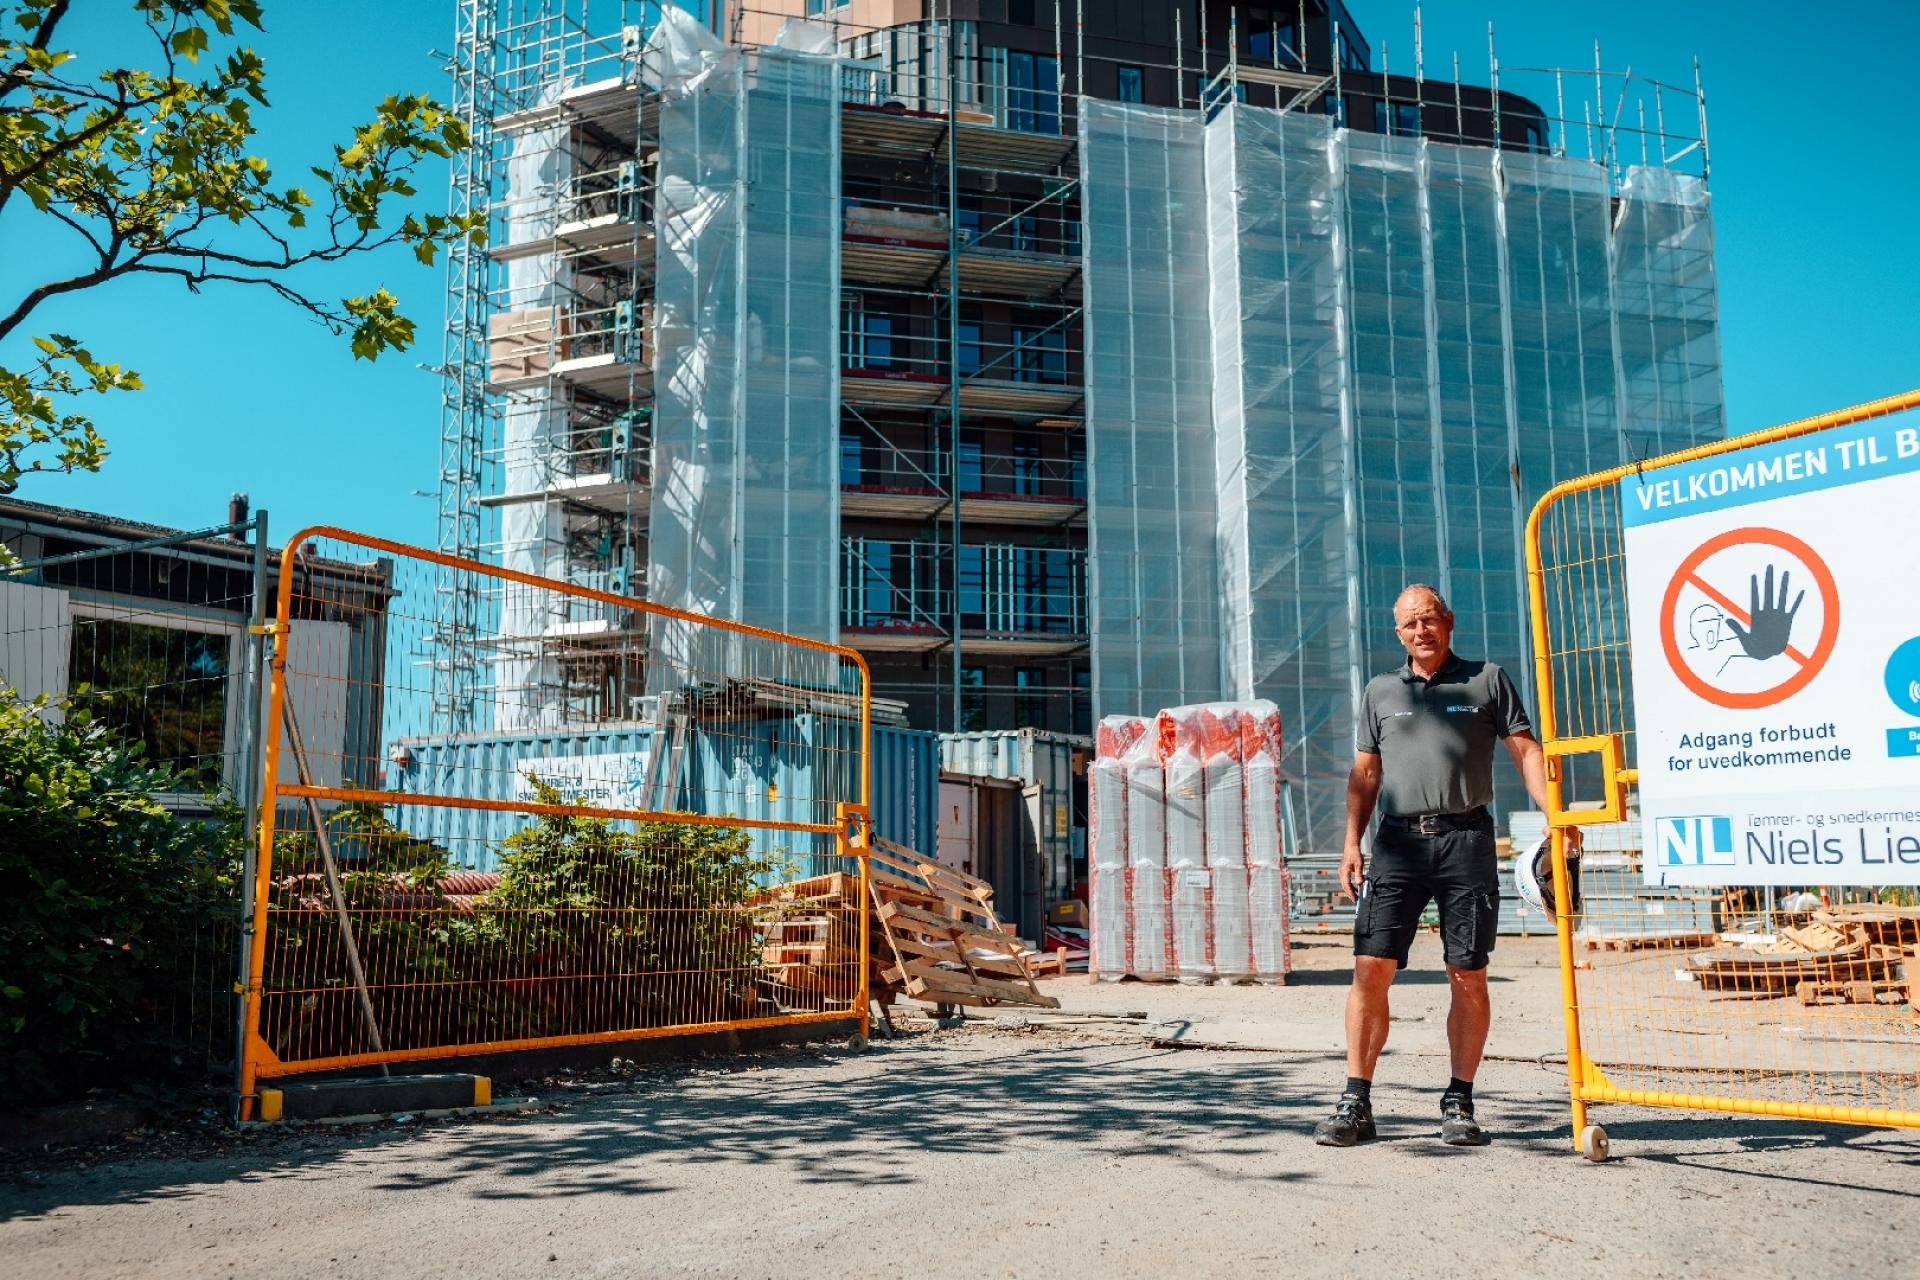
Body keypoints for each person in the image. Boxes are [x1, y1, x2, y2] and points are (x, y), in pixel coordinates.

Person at [1314, 584, 1581, 1148]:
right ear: (1398, 633)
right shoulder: (1381, 691)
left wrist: (1555, 814)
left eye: (1429, 619)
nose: (1421, 631)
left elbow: (1527, 751)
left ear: (1448, 621)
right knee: (1370, 970)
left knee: (1468, 973)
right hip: (1397, 844)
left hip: (1467, 841)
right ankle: (1355, 1102)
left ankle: (1459, 1101)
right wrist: (1350, 843)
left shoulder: (1486, 680)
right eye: (1410, 624)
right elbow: (1365, 775)